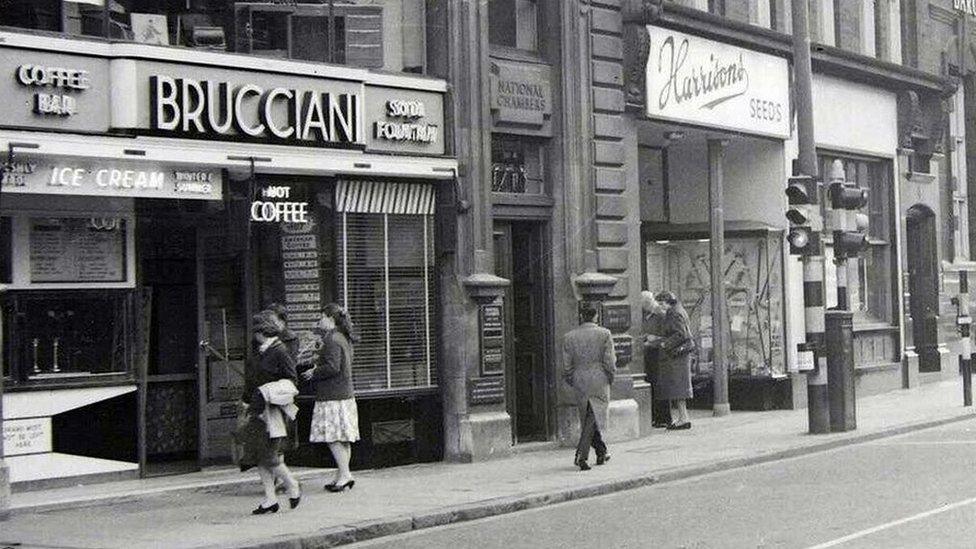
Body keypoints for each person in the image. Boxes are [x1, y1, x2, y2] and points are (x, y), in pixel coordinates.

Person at [240, 311, 302, 514]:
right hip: (257, 409)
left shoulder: (279, 351)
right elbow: (253, 379)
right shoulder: (261, 350)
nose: (253, 335)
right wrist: (246, 401)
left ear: (260, 331)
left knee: (269, 455)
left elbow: (292, 380)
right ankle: (270, 498)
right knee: (259, 455)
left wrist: (270, 391)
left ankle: (291, 484)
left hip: (273, 410)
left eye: (255, 331)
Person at [300, 303, 360, 492]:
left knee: (333, 438)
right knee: (343, 438)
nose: (320, 321)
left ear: (330, 319)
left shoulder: (332, 338)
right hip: (344, 394)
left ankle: (345, 476)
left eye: (322, 317)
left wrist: (314, 371)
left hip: (332, 395)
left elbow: (333, 367)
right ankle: (342, 475)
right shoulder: (343, 337)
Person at [562, 301, 616, 471]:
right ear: (595, 316)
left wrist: (572, 378)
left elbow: (566, 366)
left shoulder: (569, 337)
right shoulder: (605, 333)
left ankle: (601, 451)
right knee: (593, 417)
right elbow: (610, 361)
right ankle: (581, 455)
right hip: (599, 378)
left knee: (589, 417)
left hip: (580, 380)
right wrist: (610, 377)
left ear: (581, 317)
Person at [655, 291, 695, 430]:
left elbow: (681, 334)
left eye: (661, 304)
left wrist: (664, 344)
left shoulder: (674, 313)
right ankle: (683, 417)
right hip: (680, 356)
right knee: (679, 388)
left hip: (677, 357)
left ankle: (683, 418)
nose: (660, 307)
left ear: (667, 302)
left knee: (678, 388)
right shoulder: (679, 310)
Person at [640, 291, 672, 428]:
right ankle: (654, 417)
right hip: (647, 354)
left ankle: (664, 417)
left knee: (660, 385)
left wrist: (653, 339)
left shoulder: (661, 315)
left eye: (643, 305)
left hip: (659, 354)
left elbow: (668, 336)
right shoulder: (643, 316)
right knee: (651, 383)